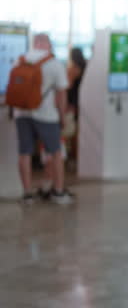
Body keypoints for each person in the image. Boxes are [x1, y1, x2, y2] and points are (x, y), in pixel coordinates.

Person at [11, 33, 73, 204]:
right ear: (47, 44)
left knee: (24, 153)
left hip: (21, 113)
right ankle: (58, 192)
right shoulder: (54, 64)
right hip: (47, 115)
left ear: (34, 43)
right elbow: (61, 94)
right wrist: (62, 116)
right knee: (55, 152)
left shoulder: (20, 61)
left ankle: (27, 194)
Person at [66, 47, 86, 162]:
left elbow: (68, 85)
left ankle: (74, 155)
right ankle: (80, 155)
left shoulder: (74, 68)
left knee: (73, 131)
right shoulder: (87, 66)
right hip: (84, 101)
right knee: (80, 130)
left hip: (73, 102)